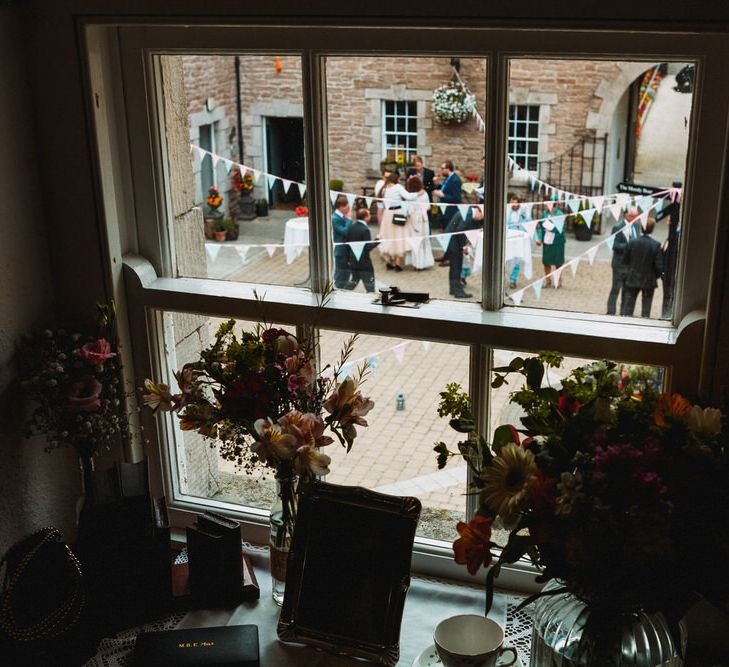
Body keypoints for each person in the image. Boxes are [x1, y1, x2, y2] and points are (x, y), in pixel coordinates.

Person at [377, 171, 419, 271]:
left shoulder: (384, 189)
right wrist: (418, 193)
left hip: (387, 215)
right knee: (400, 237)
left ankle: (389, 261)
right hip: (397, 213)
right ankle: (398, 263)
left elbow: (381, 205)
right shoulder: (398, 187)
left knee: (388, 237)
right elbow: (408, 196)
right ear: (396, 179)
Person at [621, 217, 663, 318]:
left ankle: (626, 324)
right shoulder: (655, 245)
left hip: (633, 278)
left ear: (641, 228)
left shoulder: (632, 242)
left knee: (629, 307)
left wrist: (628, 274)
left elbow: (625, 261)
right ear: (652, 229)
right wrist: (654, 276)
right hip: (648, 280)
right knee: (646, 309)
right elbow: (659, 266)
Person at [444, 204, 484, 298]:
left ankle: (454, 288)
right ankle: (457, 291)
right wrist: (464, 246)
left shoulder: (469, 213)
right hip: (453, 243)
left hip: (452, 241)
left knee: (455, 266)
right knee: (456, 266)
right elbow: (460, 231)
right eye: (482, 216)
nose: (482, 219)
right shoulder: (468, 214)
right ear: (478, 211)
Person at [606, 207, 640, 315]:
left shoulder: (637, 226)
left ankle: (624, 312)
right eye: (634, 216)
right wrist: (629, 246)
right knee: (616, 288)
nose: (636, 218)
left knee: (627, 290)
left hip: (631, 265)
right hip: (619, 264)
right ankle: (611, 311)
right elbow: (614, 245)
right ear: (627, 215)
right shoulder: (617, 227)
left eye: (637, 215)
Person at [404, 175, 434, 270]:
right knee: (423, 241)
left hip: (413, 220)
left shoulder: (409, 195)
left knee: (415, 241)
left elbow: (408, 210)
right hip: (423, 219)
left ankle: (416, 263)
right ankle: (423, 263)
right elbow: (429, 207)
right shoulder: (424, 194)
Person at [535, 196, 566, 288]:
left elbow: (562, 229)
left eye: (546, 203)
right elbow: (541, 228)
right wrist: (540, 238)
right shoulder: (544, 214)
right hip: (547, 241)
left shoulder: (559, 214)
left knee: (558, 262)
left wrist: (550, 227)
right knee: (546, 262)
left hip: (557, 242)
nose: (544, 205)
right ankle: (547, 281)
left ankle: (558, 281)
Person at [346, 208, 379, 292]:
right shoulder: (365, 230)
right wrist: (377, 240)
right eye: (369, 214)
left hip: (353, 261)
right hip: (364, 263)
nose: (370, 216)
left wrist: (348, 259)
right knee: (370, 286)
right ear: (365, 217)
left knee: (354, 281)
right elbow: (367, 247)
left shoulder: (352, 227)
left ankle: (341, 293)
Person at [505, 195, 530, 288]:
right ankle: (502, 278)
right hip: (509, 239)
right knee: (507, 258)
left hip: (519, 240)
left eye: (516, 204)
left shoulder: (524, 212)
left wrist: (536, 238)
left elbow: (530, 224)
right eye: (512, 204)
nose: (514, 206)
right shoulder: (507, 212)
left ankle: (513, 280)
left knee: (517, 260)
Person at [432, 159, 462, 239]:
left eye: (442, 168)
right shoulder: (448, 178)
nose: (441, 170)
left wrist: (443, 196)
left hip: (450, 212)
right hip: (444, 210)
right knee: (445, 232)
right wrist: (437, 184)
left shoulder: (455, 180)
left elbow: (457, 198)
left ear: (448, 169)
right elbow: (444, 189)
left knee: (450, 234)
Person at [332, 195, 352, 288]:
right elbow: (345, 231)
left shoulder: (342, 216)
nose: (349, 208)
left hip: (347, 249)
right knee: (340, 274)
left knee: (347, 273)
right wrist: (349, 219)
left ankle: (343, 290)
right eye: (347, 206)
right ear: (341, 207)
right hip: (340, 251)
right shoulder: (335, 218)